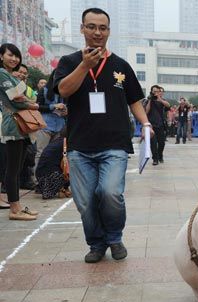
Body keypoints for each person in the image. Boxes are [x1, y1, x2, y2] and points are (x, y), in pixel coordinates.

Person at [54, 8, 152, 263]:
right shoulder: (68, 61)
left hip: (115, 143)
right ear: (82, 29)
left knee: (110, 193)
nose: (97, 32)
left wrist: (146, 123)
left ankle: (114, 237)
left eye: (103, 28)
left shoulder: (121, 65)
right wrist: (85, 66)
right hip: (79, 145)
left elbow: (134, 100)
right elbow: (64, 90)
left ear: (108, 31)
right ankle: (96, 243)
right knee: (85, 201)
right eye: (91, 27)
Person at [0, 44, 40, 220]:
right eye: (10, 55)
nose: (14, 59)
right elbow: (17, 99)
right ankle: (14, 209)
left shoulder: (11, 75)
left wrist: (28, 100)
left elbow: (26, 96)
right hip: (14, 123)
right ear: (1, 56)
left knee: (18, 168)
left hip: (22, 124)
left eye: (16, 56)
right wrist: (33, 105)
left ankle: (17, 206)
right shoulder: (2, 74)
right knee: (12, 168)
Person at [35, 71, 67, 170]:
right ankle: (37, 180)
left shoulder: (66, 91)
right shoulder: (44, 90)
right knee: (41, 152)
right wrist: (54, 106)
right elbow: (37, 107)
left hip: (60, 127)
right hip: (45, 125)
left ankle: (52, 179)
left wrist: (66, 110)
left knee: (55, 154)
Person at [36, 128, 71, 199]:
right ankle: (62, 189)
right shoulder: (67, 143)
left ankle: (61, 189)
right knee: (76, 166)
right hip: (52, 177)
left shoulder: (56, 142)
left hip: (41, 177)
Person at [145, 85, 169, 165]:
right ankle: (155, 159)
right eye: (154, 91)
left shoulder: (161, 100)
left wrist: (160, 99)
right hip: (151, 125)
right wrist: (150, 100)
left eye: (157, 91)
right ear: (151, 92)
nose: (155, 93)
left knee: (162, 143)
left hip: (160, 124)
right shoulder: (148, 100)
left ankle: (160, 155)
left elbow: (168, 106)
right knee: (153, 143)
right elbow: (146, 111)